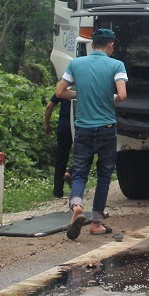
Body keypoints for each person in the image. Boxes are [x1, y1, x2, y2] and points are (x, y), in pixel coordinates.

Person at [55, 28, 128, 239]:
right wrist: (108, 98)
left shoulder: (76, 63)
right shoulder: (116, 65)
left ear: (92, 43)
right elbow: (122, 95)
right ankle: (96, 223)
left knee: (79, 171)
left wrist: (81, 94)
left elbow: (60, 92)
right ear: (111, 45)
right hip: (106, 128)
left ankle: (77, 205)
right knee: (104, 175)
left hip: (83, 128)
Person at [44, 95, 73, 198]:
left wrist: (47, 124)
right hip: (78, 122)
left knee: (61, 158)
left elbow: (49, 106)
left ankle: (58, 191)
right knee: (85, 154)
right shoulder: (83, 86)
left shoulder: (64, 88)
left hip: (64, 124)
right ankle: (71, 172)